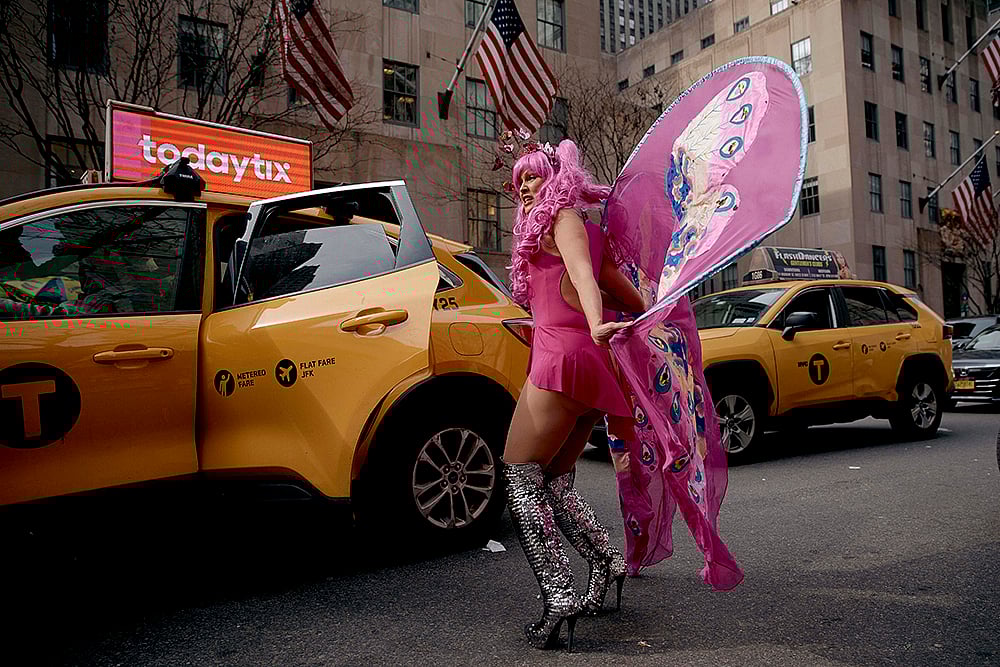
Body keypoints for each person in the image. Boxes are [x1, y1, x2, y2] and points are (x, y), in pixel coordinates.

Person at [502, 138, 646, 650]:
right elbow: (628, 295)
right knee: (557, 481)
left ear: (557, 178)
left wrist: (593, 322)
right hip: (580, 359)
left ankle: (560, 592)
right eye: (518, 179)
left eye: (532, 175)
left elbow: (585, 280)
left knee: (519, 478)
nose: (522, 185)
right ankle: (606, 562)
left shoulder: (560, 219)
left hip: (563, 361)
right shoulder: (586, 230)